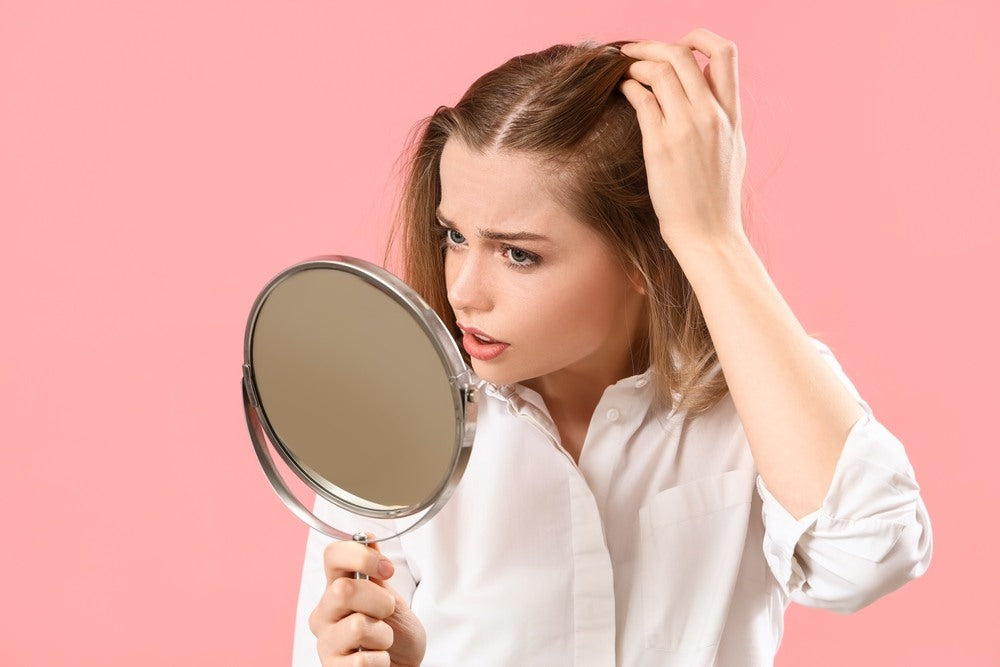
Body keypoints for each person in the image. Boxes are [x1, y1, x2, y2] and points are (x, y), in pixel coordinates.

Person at [292, 28, 933, 666]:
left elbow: (871, 555)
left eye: (519, 253)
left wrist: (713, 237)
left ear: (643, 255)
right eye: (454, 236)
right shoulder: (391, 425)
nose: (463, 291)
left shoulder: (757, 396)